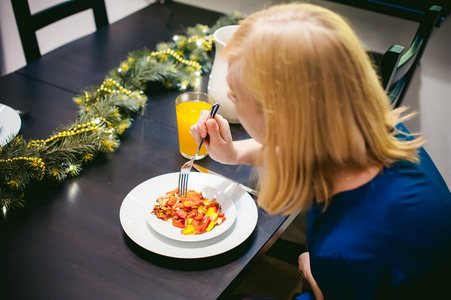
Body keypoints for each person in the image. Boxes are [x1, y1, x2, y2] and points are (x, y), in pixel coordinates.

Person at [191, 3, 451, 299]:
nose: (228, 99)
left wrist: (317, 282)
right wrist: (233, 153)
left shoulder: (347, 250)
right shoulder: (374, 129)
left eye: (235, 96)